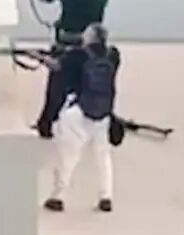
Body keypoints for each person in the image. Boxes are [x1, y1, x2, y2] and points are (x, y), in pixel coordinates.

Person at [32, 23, 120, 213]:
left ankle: (58, 197)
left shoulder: (77, 55)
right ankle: (106, 197)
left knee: (67, 156)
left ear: (90, 37)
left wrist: (39, 57)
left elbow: (56, 66)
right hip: (103, 112)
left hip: (77, 112)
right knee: (102, 156)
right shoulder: (113, 55)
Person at [34, 0, 109, 138]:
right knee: (87, 84)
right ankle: (91, 124)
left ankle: (46, 124)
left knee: (56, 86)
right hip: (93, 44)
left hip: (67, 41)